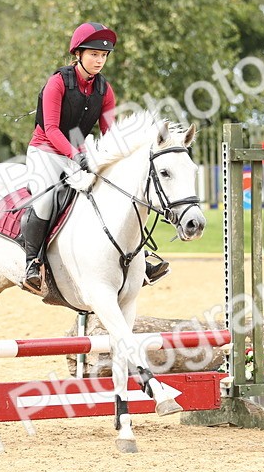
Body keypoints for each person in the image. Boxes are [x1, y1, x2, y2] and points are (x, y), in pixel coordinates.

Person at [21, 22, 169, 292]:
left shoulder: (104, 90)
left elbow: (109, 133)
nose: (99, 60)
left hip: (80, 154)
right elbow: (51, 129)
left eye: (103, 56)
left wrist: (116, 160)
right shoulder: (57, 83)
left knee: (118, 195)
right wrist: (77, 155)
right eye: (93, 54)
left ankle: (139, 256)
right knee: (45, 199)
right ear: (77, 54)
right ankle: (32, 262)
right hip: (45, 150)